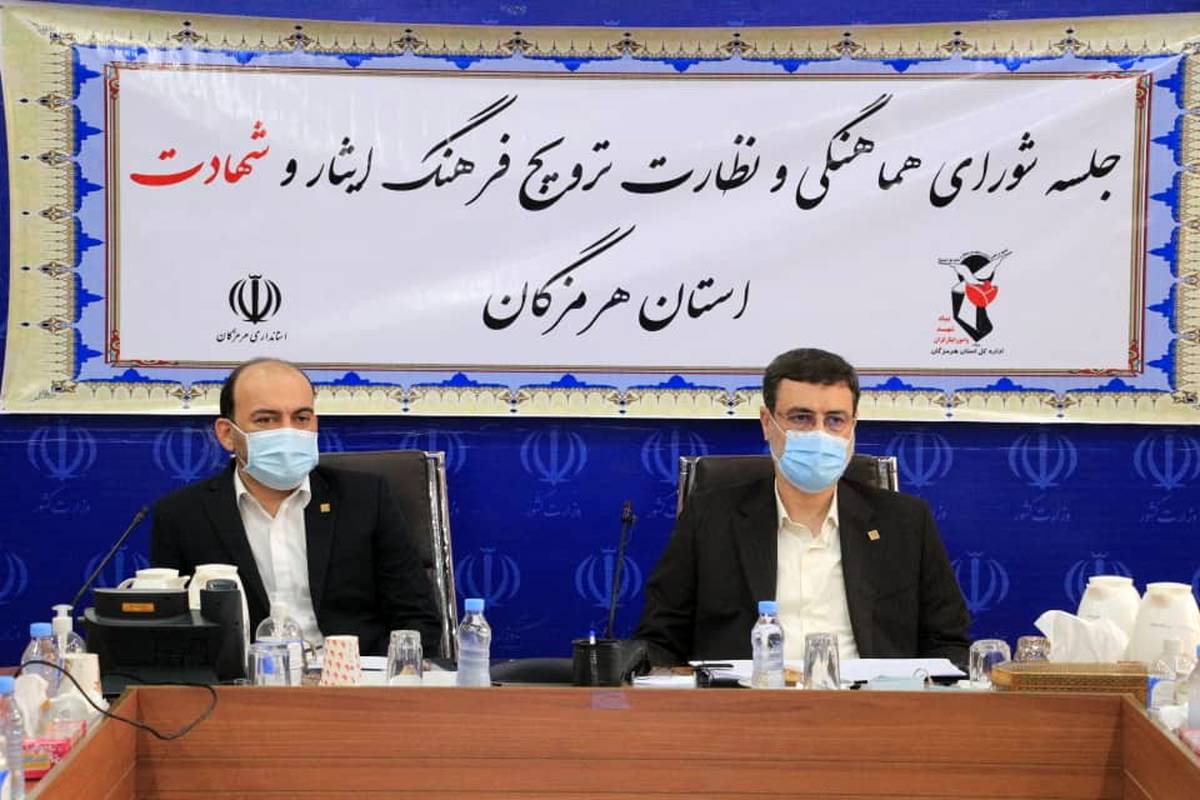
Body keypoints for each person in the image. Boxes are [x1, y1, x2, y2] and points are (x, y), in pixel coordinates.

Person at [634, 348, 970, 667]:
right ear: (767, 423)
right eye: (801, 418)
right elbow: (660, 641)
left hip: (871, 702)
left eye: (835, 420)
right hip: (745, 702)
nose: (819, 434)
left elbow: (947, 643)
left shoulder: (906, 523)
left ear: (853, 425)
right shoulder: (709, 519)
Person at [150, 357, 441, 656]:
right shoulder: (181, 516)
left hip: (354, 676)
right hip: (244, 679)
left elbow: (417, 619)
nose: (288, 432)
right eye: (266, 420)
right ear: (227, 434)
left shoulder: (366, 499)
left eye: (301, 418)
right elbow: (170, 632)